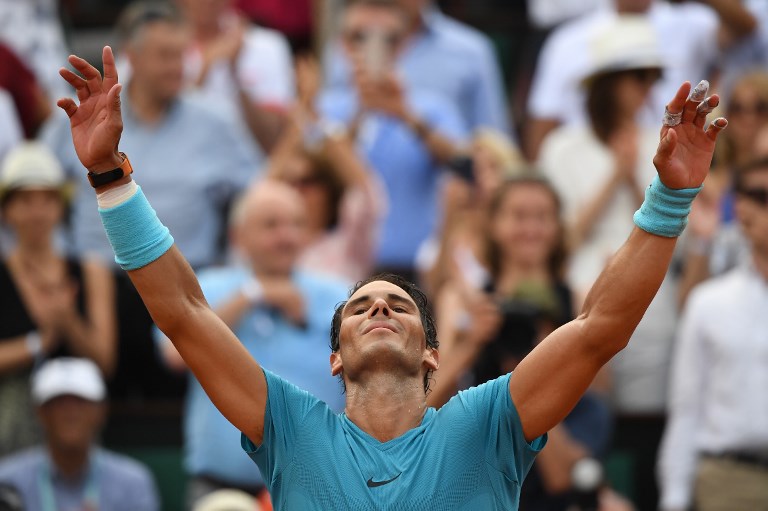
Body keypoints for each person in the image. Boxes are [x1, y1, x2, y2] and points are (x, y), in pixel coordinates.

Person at [55, 45, 726, 510]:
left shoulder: (487, 420)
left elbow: (598, 328)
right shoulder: (291, 425)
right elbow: (184, 313)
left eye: (399, 305)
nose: (379, 307)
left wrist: (670, 197)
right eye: (361, 306)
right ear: (336, 356)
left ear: (432, 353)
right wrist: (110, 176)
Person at [158, 179, 348, 507]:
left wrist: (304, 316)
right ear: (238, 236)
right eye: (271, 225)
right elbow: (173, 354)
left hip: (317, 485)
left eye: (296, 225)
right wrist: (251, 295)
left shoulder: (338, 296)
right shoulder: (207, 288)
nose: (286, 236)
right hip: (221, 488)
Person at [319, 0, 468, 279]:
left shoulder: (433, 108)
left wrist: (405, 115)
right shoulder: (325, 108)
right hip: (337, 271)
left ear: (405, 45)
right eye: (359, 37)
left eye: (389, 38)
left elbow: (464, 164)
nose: (372, 47)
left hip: (413, 272)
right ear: (342, 44)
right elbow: (319, 177)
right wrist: (361, 109)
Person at [657, 159, 768, 510]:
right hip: (729, 481)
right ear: (740, 207)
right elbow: (687, 408)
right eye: (758, 195)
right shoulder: (708, 304)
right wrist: (674, 499)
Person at [525, 0, 754, 160]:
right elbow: (544, 120)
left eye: (654, 77)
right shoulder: (567, 40)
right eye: (638, 76)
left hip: (668, 160)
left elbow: (747, 27)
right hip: (586, 163)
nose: (647, 88)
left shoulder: (690, 21)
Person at [0, 142, 115, 456]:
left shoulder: (92, 272)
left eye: (47, 200)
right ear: (7, 210)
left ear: (60, 207)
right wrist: (40, 342)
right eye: (25, 201)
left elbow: (105, 361)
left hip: (77, 431)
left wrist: (67, 322)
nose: (37, 213)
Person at [267, 55, 385, 284]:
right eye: (289, 183)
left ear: (328, 190)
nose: (297, 190)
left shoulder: (349, 243)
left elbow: (368, 194)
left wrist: (315, 115)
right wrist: (300, 111)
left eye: (308, 182)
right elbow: (259, 195)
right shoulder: (268, 244)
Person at [324, 0, 510, 135]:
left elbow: (494, 141)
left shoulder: (471, 51)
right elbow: (328, 130)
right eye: (356, 37)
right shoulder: (342, 47)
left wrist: (406, 115)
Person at [0, 358, 159, 511]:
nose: (70, 414)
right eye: (59, 403)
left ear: (101, 411)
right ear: (41, 413)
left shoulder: (133, 483)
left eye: (80, 402)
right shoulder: (7, 480)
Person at [177, 0, 295, 154]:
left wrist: (236, 75)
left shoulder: (268, 46)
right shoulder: (157, 49)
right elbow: (164, 133)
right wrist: (204, 69)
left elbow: (274, 138)